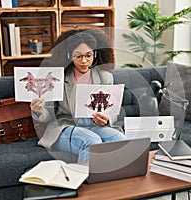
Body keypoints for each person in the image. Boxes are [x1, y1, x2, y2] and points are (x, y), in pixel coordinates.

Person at [30, 29, 127, 162]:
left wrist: (106, 119)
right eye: (78, 56)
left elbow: (112, 110)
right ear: (70, 55)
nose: (84, 61)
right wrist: (38, 111)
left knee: (120, 141)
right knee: (92, 141)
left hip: (94, 126)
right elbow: (48, 114)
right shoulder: (58, 78)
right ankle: (87, 181)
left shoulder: (105, 77)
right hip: (65, 127)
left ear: (95, 55)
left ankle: (117, 180)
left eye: (88, 55)